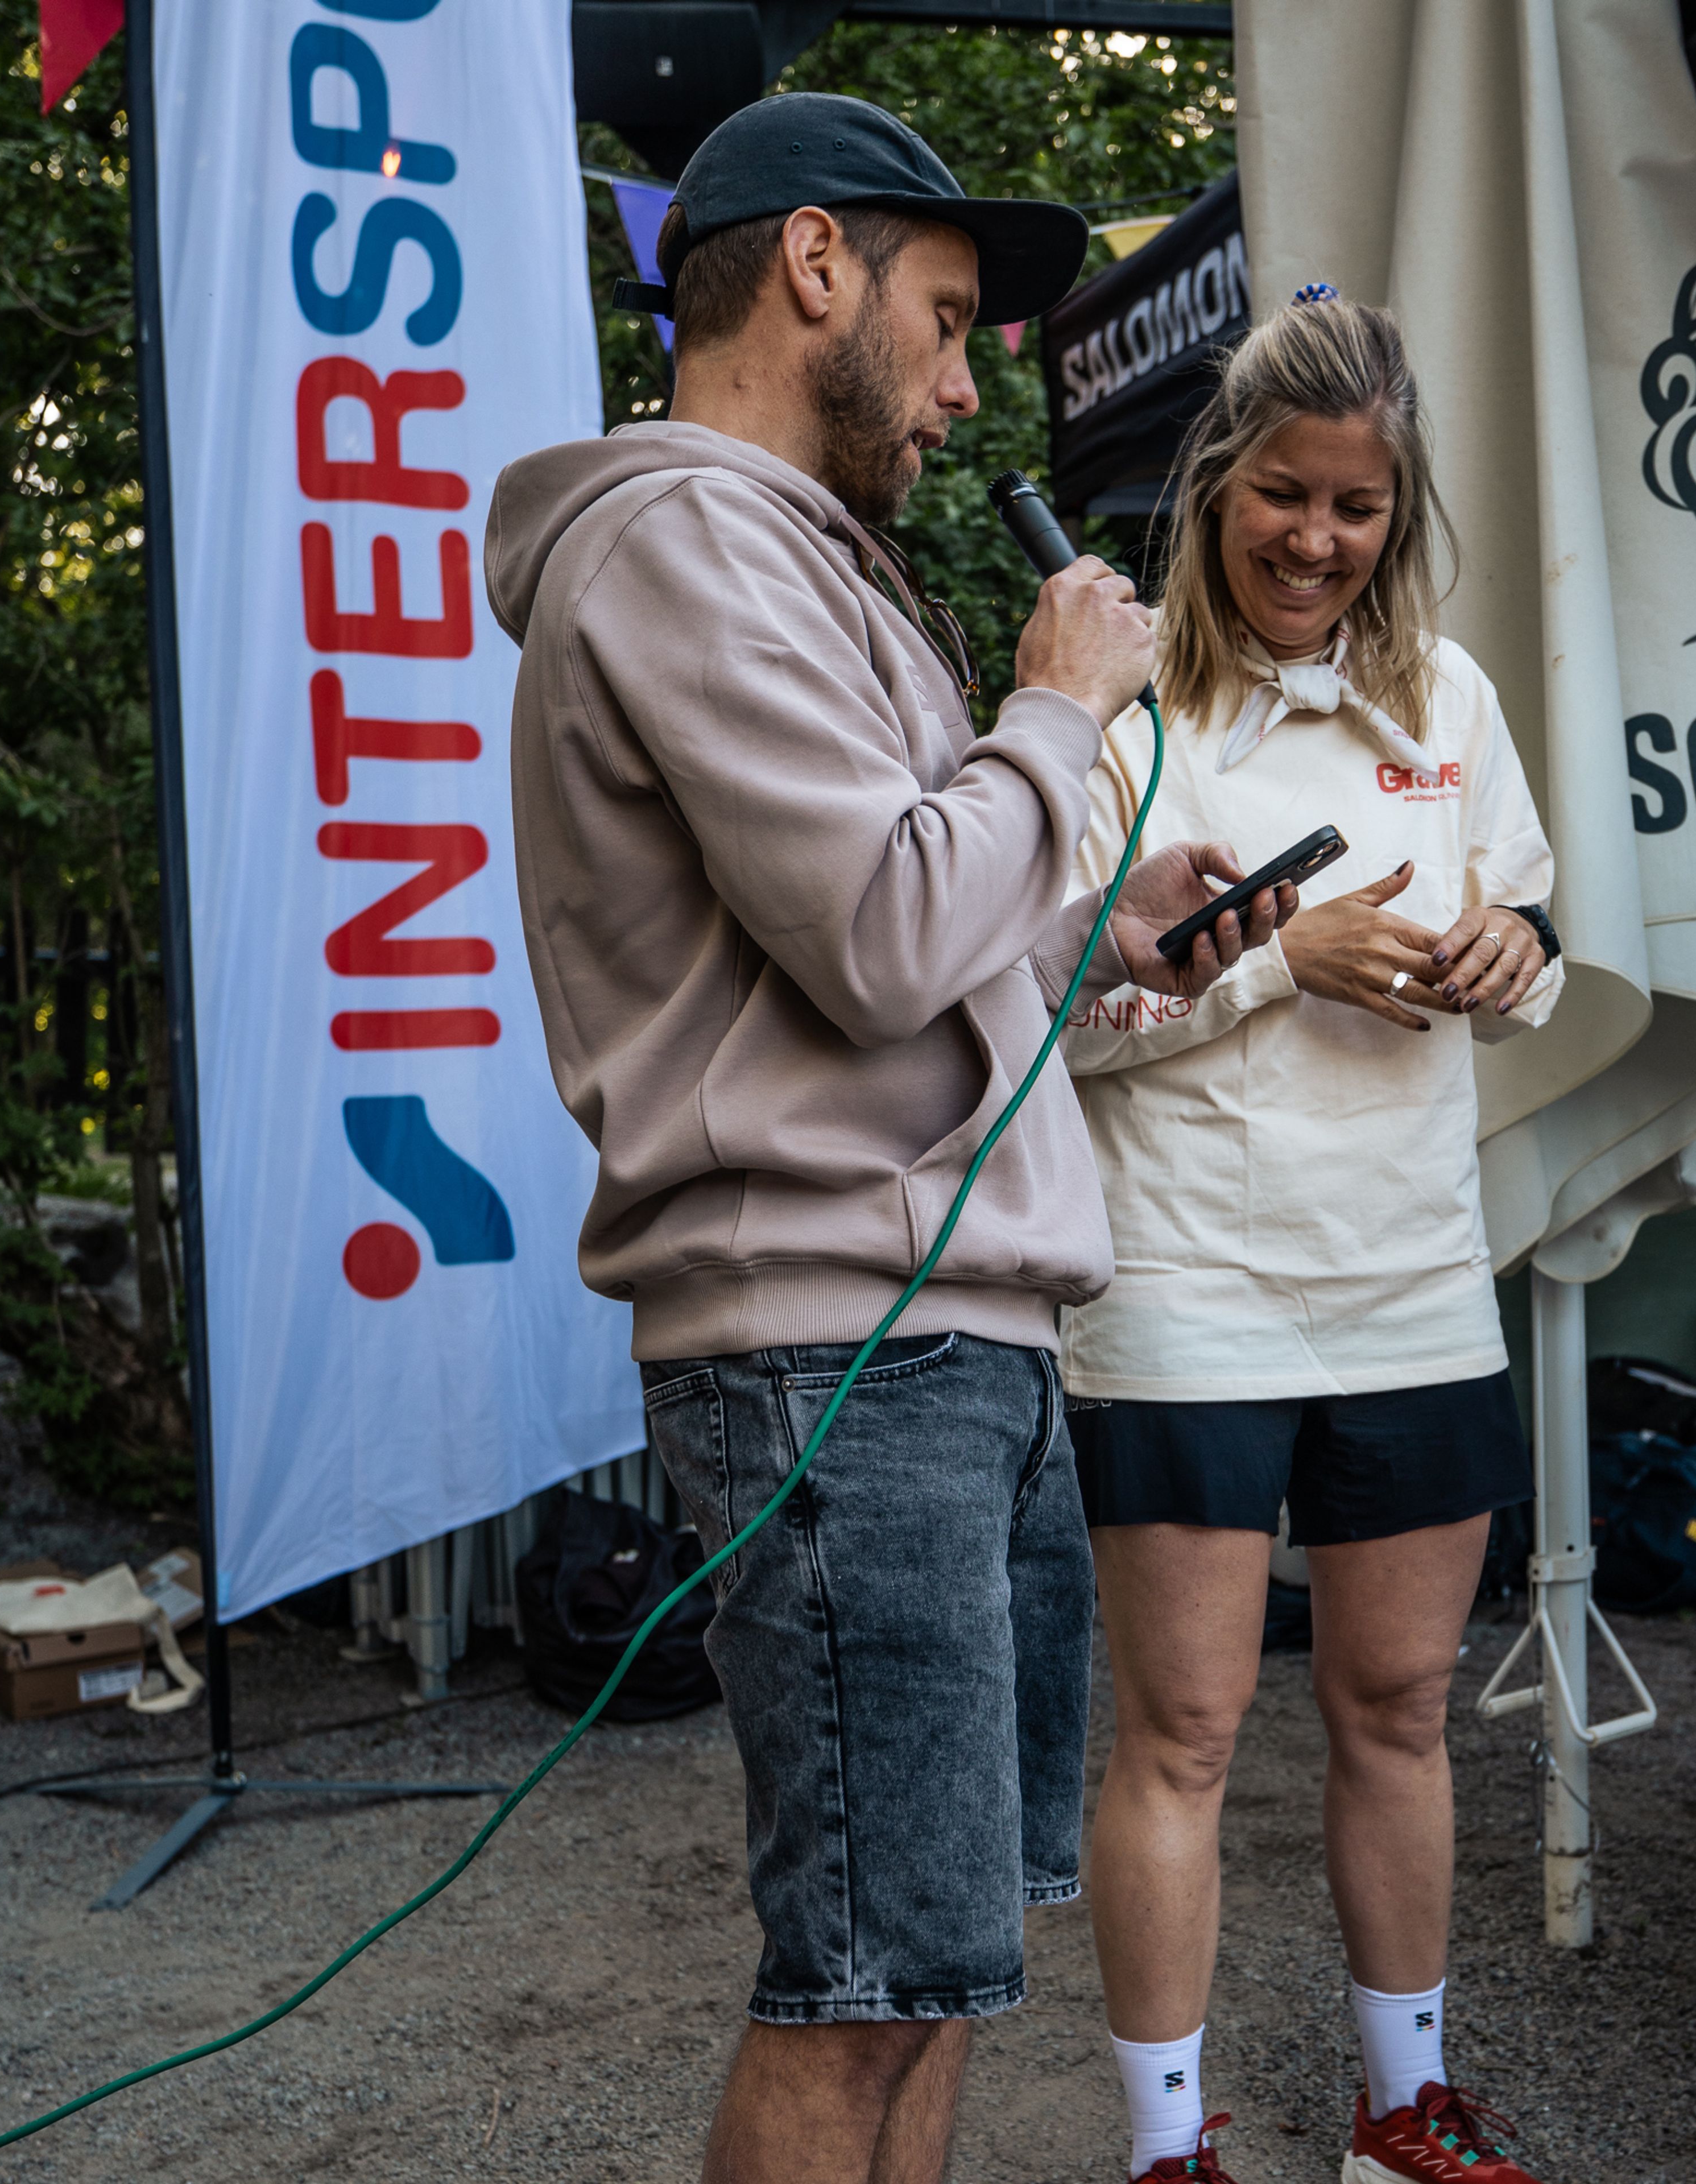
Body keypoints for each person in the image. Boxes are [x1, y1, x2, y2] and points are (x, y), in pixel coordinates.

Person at [486, 95, 1292, 2184]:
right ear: (815, 266)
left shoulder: (787, 560)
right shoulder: (678, 541)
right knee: (854, 1990)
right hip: (844, 1351)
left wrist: (1106, 932)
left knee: (933, 1973)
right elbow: (877, 932)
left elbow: (923, 926)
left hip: (955, 1344)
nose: (958, 392)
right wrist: (1058, 710)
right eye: (944, 325)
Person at [1059, 293, 1563, 2184]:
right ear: (1215, 490)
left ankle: (1398, 2113)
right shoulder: (1128, 719)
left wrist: (1517, 954)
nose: (1316, 541)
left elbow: (1521, 938)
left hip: (1414, 1280)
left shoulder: (1449, 699)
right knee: (1182, 1735)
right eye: (1284, 494)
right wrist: (1276, 961)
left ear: (1398, 512)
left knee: (1404, 1708)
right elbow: (1061, 1020)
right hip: (1184, 1290)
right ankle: (1167, 2153)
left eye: (1357, 508)